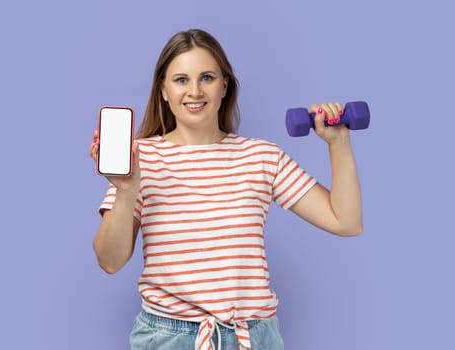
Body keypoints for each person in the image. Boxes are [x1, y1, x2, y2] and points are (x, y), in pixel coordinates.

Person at [89, 29, 363, 350]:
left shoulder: (262, 156)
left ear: (224, 86)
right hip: (169, 338)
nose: (194, 91)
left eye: (206, 77)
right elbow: (110, 261)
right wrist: (126, 189)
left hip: (253, 336)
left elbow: (345, 221)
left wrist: (339, 144)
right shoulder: (141, 158)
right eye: (181, 80)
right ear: (163, 90)